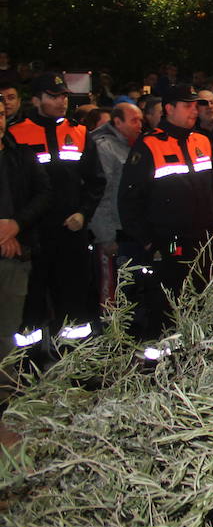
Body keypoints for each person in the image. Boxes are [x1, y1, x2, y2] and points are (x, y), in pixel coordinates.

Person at [8, 73, 106, 348]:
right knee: (31, 306)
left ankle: (75, 365)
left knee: (74, 305)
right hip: (32, 237)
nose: (62, 101)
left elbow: (96, 182)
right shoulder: (15, 135)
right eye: (54, 96)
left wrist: (84, 213)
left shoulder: (79, 132)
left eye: (64, 96)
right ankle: (29, 368)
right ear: (37, 99)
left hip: (70, 232)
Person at [118, 84, 213, 339]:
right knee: (166, 311)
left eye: (196, 105)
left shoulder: (202, 141)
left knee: (201, 305)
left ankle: (196, 360)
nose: (194, 111)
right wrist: (150, 243)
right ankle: (160, 367)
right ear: (169, 108)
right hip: (169, 245)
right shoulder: (149, 145)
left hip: (203, 242)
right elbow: (130, 201)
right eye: (188, 105)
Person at [0, 102, 52, 357]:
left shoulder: (21, 154)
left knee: (7, 331)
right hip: (8, 245)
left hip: (16, 254)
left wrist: (16, 225)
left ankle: (7, 391)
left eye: (0, 114)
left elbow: (43, 194)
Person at [88, 101, 143, 306]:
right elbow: (102, 194)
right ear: (118, 122)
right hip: (114, 235)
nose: (139, 125)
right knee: (111, 291)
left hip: (130, 232)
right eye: (134, 120)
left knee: (130, 288)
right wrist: (106, 236)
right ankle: (111, 332)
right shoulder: (105, 147)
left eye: (141, 120)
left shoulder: (133, 146)